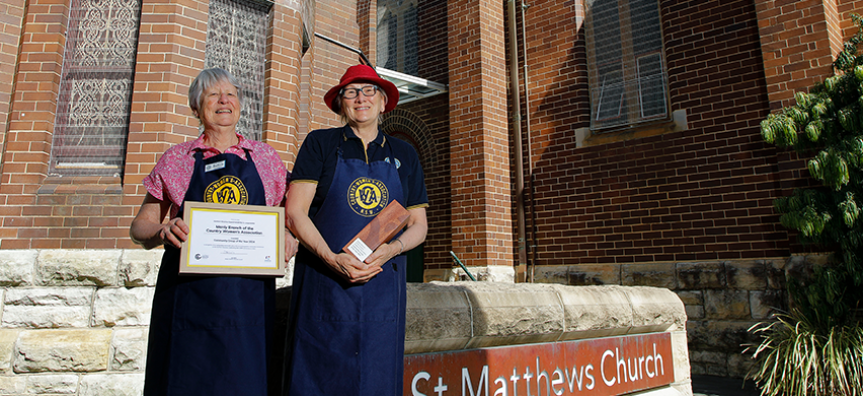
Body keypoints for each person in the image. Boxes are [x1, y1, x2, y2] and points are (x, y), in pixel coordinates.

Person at [129, 67, 298, 396]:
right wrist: (163, 230)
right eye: (213, 95)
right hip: (188, 299)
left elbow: (291, 214)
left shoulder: (266, 158)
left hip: (247, 299)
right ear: (196, 107)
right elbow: (139, 227)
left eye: (231, 94)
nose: (224, 100)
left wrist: (289, 235)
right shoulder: (176, 159)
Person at [283, 64, 429, 395]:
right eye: (351, 92)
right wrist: (332, 258)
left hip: (383, 294)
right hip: (325, 285)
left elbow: (418, 225)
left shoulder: (405, 154)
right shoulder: (319, 144)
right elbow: (294, 213)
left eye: (369, 91)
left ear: (382, 103)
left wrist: (392, 248)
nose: (360, 98)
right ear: (340, 103)